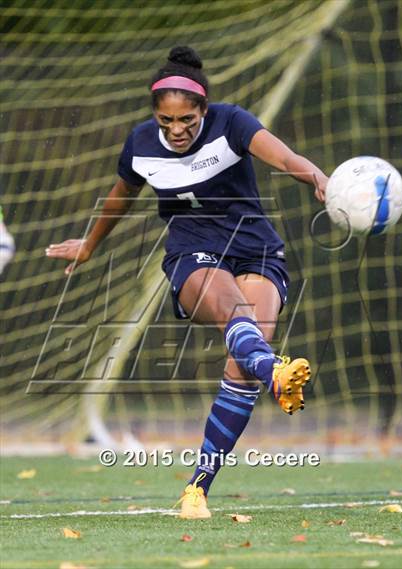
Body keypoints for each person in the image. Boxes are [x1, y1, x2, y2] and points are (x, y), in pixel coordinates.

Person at [46, 46, 328, 519]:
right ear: (155, 115)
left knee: (243, 364)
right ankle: (272, 371)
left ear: (203, 110)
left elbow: (283, 157)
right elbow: (121, 196)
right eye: (166, 121)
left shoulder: (232, 122)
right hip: (192, 250)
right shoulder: (140, 143)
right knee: (237, 317)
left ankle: (197, 487)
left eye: (187, 120)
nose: (176, 130)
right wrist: (90, 244)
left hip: (255, 246)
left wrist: (318, 177)